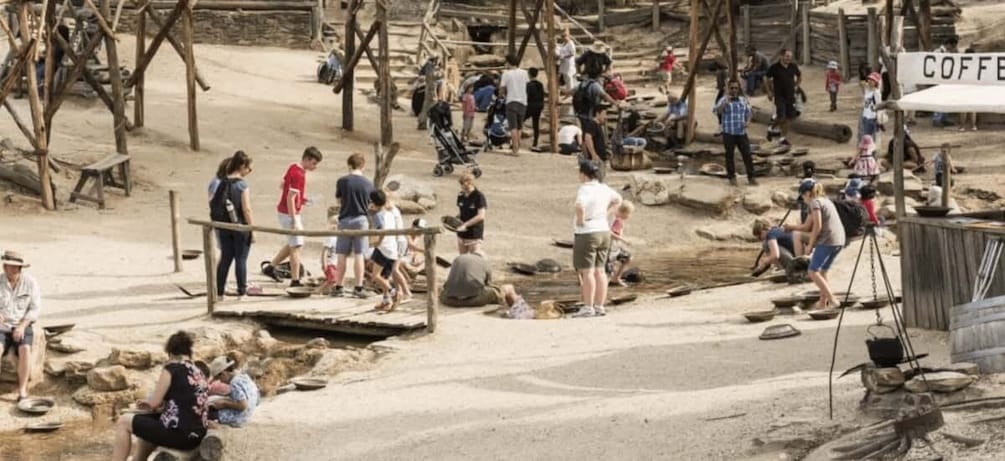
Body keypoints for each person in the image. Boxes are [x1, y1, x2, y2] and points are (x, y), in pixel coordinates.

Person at [112, 331, 209, 461]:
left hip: (181, 435)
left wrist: (148, 402)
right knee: (146, 429)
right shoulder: (198, 371)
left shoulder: (171, 368)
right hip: (197, 435)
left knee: (123, 421)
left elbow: (155, 403)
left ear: (170, 352)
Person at [262, 147, 323, 286]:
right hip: (289, 213)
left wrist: (302, 199)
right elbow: (290, 197)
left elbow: (283, 185)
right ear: (306, 159)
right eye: (313, 163)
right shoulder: (299, 174)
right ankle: (295, 280)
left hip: (286, 210)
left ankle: (271, 267)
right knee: (296, 246)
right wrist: (294, 218)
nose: (315, 167)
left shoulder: (293, 167)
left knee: (293, 243)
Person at [784, 180, 846, 310]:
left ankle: (832, 299)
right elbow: (806, 226)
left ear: (807, 193)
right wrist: (791, 227)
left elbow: (817, 226)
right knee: (822, 271)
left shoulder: (814, 202)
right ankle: (823, 303)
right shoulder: (825, 200)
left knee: (812, 271)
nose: (803, 199)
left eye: (802, 196)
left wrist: (810, 245)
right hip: (839, 239)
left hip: (827, 240)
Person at [571, 160, 623, 318]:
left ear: (583, 174)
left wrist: (581, 220)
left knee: (587, 271)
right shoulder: (604, 188)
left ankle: (588, 307)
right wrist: (608, 213)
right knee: (600, 270)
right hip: (604, 231)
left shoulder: (585, 189)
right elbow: (619, 199)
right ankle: (600, 306)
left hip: (588, 232)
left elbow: (579, 206)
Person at [211, 151, 255, 298]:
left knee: (225, 259)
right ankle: (241, 291)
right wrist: (252, 229)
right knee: (241, 260)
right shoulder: (242, 185)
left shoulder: (222, 182)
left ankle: (219, 292)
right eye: (248, 168)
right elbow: (246, 209)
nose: (249, 171)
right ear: (242, 166)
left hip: (224, 226)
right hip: (240, 226)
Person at [332, 153, 376, 299]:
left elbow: (338, 201)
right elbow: (371, 204)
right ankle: (358, 287)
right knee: (359, 254)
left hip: (345, 219)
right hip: (361, 219)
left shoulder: (342, 181)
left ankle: (339, 286)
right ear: (362, 165)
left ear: (349, 165)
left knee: (342, 254)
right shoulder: (369, 183)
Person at [0, 250, 40, 401]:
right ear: (5, 267)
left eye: (17, 267)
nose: (14, 270)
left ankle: (22, 391)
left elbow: (35, 308)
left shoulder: (31, 283)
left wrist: (22, 326)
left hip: (22, 324)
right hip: (2, 327)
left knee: (25, 349)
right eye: (11, 266)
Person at [572, 74, 622, 167]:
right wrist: (615, 103)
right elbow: (605, 95)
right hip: (589, 115)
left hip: (581, 114)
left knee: (585, 137)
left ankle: (586, 158)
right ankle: (590, 158)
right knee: (589, 136)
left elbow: (571, 92)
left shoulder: (580, 85)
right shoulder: (595, 85)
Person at [714, 79, 756, 186]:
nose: (734, 90)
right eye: (731, 88)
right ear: (728, 89)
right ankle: (732, 177)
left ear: (739, 89)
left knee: (747, 154)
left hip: (741, 132)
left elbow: (749, 113)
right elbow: (716, 111)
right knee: (729, 155)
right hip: (728, 132)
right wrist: (725, 103)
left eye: (736, 88)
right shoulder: (723, 99)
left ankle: (751, 177)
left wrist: (747, 122)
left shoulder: (743, 100)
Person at [367, 190, 401, 311]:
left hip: (383, 249)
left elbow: (382, 230)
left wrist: (378, 242)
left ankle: (394, 293)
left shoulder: (378, 215)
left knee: (376, 276)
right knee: (384, 278)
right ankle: (386, 301)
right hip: (392, 249)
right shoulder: (389, 212)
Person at [208, 352, 259, 428]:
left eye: (219, 379)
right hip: (247, 415)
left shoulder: (234, 383)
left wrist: (224, 403)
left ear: (223, 373)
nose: (221, 382)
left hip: (237, 418)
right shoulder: (244, 376)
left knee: (207, 413)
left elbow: (243, 405)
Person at [765, 49, 801, 146]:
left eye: (790, 56)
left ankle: (782, 138)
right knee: (781, 117)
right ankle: (771, 128)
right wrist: (769, 91)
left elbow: (799, 75)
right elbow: (766, 77)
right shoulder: (775, 67)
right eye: (787, 56)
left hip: (790, 96)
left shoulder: (793, 66)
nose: (789, 58)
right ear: (781, 56)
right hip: (779, 96)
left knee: (789, 117)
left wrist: (796, 85)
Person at [499, 53, 529, 156]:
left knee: (513, 127)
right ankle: (518, 147)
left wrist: (499, 96)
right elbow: (526, 85)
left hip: (511, 101)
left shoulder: (506, 74)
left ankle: (514, 149)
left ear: (509, 62)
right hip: (523, 102)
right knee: (520, 126)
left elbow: (502, 89)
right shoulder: (524, 73)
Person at [455, 172, 487, 255]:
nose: (462, 186)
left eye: (464, 184)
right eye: (461, 184)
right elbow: (461, 211)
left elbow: (481, 216)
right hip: (461, 233)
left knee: (475, 257)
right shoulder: (461, 195)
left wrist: (465, 225)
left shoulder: (479, 196)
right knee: (462, 257)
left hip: (474, 234)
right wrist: (456, 219)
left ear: (470, 183)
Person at [607, 201, 634, 287]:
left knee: (627, 257)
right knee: (609, 265)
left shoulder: (615, 218)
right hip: (610, 248)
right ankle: (613, 278)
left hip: (614, 247)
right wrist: (624, 240)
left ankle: (615, 277)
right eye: (629, 214)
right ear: (624, 212)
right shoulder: (617, 220)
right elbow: (610, 234)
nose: (629, 216)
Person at [859, 72, 882, 146]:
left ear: (876, 82)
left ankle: (871, 153)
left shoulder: (876, 93)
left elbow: (879, 105)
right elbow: (861, 83)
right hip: (865, 116)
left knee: (870, 137)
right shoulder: (867, 91)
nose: (869, 81)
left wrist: (878, 117)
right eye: (869, 79)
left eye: (872, 80)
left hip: (872, 117)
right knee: (865, 136)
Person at [318, 216, 340, 296]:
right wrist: (324, 263)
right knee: (332, 279)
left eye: (337, 224)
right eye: (332, 223)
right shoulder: (330, 238)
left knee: (334, 279)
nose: (334, 226)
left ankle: (327, 291)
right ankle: (319, 290)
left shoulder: (337, 238)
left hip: (334, 263)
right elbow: (325, 251)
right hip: (329, 263)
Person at [526, 67, 546, 148]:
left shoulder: (529, 85)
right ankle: (535, 142)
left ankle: (515, 140)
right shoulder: (540, 84)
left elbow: (527, 96)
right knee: (536, 124)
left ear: (529, 74)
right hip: (539, 106)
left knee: (519, 121)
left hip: (531, 105)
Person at [556, 29, 577, 93]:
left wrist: (564, 56)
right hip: (563, 63)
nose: (564, 38)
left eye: (565, 36)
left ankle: (571, 92)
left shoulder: (571, 43)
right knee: (565, 77)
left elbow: (572, 53)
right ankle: (568, 91)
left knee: (569, 77)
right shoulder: (563, 44)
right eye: (562, 36)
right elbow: (560, 50)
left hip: (568, 63)